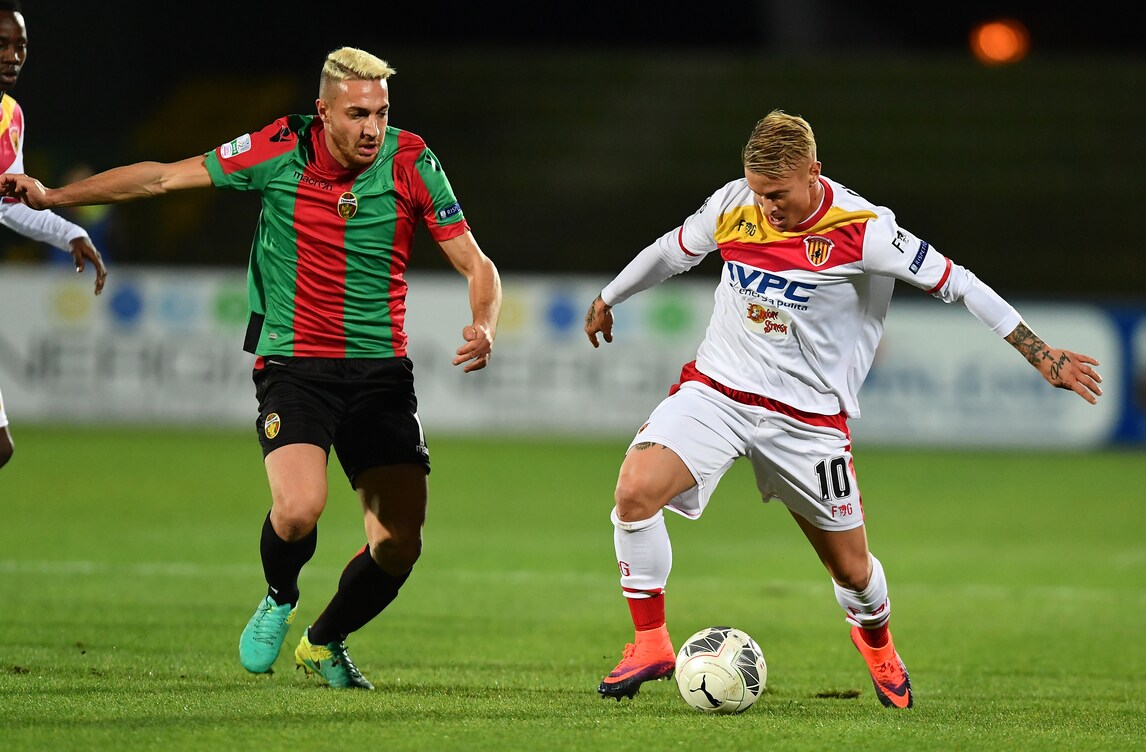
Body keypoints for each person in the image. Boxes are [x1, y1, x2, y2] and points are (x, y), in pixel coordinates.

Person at [0, 46, 501, 689]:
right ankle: (280, 596)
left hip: (380, 371)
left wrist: (485, 323)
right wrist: (55, 195)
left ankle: (324, 640)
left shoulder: (412, 161)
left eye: (380, 113)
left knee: (399, 543)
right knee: (298, 510)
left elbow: (477, 263)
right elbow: (162, 179)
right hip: (294, 363)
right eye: (357, 114)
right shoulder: (280, 148)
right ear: (324, 112)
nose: (372, 128)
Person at [584, 110, 1102, 709]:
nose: (766, 207)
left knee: (853, 571)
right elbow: (670, 252)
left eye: (778, 194)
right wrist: (609, 296)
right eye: (758, 192)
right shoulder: (733, 204)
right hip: (718, 391)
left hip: (807, 422)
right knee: (634, 492)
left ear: (814, 172)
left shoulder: (865, 231)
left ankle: (878, 645)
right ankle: (651, 643)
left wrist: (1039, 353)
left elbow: (959, 282)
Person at [0, 0, 107, 472]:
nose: (12, 56)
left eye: (20, 45)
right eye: (1, 44)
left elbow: (9, 202)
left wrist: (70, 233)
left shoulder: (11, 116)